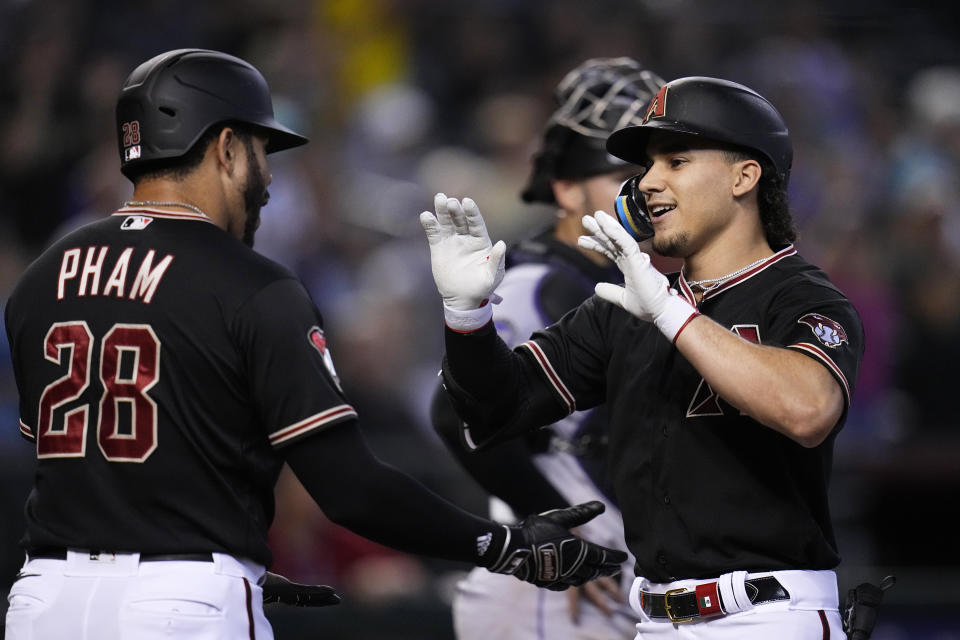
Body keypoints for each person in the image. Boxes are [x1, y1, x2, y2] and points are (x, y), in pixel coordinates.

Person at [2, 48, 627, 640]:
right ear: (225, 147)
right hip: (180, 602)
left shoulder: (40, 277)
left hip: (42, 599)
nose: (269, 177)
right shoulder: (249, 284)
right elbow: (350, 488)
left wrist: (238, 553)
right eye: (261, 150)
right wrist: (506, 546)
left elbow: (85, 470)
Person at [421, 76, 863, 638]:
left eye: (675, 161)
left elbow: (808, 410)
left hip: (769, 614)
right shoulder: (627, 305)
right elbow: (494, 407)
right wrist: (468, 318)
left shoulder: (802, 294)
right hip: (651, 618)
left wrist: (673, 314)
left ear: (744, 176)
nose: (648, 182)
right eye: (646, 166)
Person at [430, 57, 664, 640]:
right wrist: (558, 531)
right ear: (565, 187)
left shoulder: (623, 282)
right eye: (619, 177)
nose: (643, 191)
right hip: (549, 586)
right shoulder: (533, 281)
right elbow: (451, 411)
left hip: (603, 577)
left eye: (652, 172)